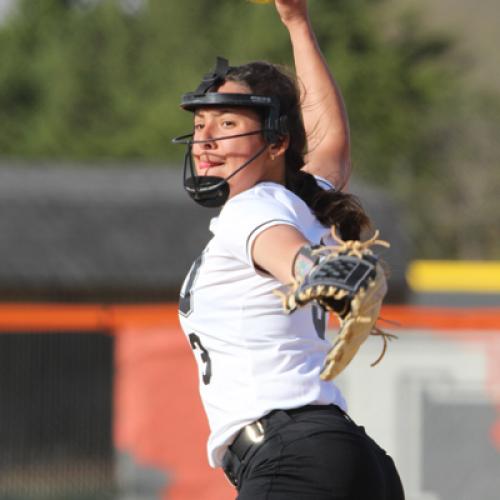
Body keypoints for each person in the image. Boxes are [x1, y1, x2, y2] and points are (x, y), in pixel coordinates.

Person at [174, 1, 405, 498]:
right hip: (349, 461)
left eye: (227, 125)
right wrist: (296, 20)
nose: (204, 141)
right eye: (199, 126)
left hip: (293, 461)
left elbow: (292, 256)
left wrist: (316, 267)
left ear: (277, 144)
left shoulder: (249, 209)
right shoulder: (302, 199)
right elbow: (333, 148)